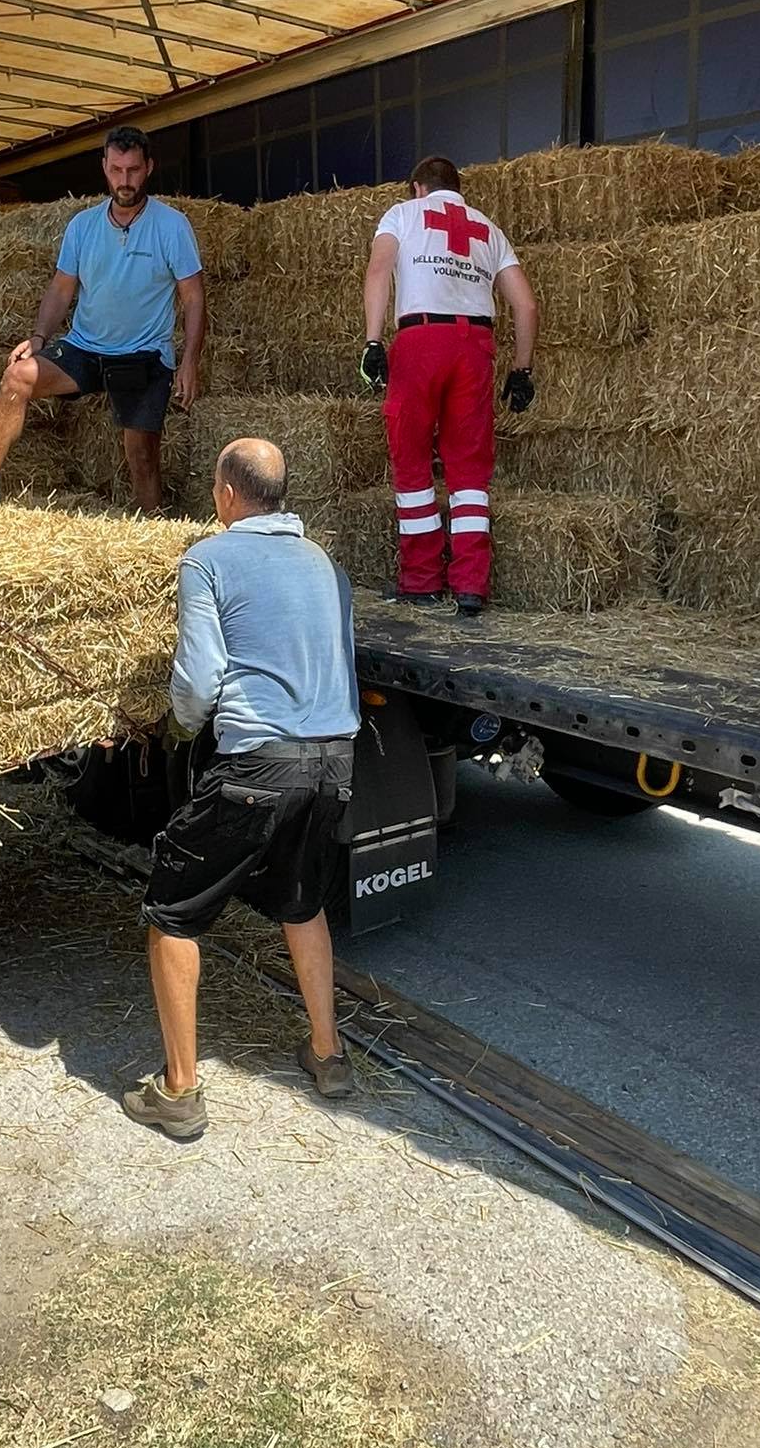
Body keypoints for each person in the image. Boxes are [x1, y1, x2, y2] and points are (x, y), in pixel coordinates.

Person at [123, 438, 360, 1141]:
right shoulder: (327, 565)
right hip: (334, 762)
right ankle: (328, 1053)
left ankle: (179, 1091)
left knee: (172, 910)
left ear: (226, 493)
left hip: (259, 766)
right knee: (301, 901)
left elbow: (198, 680)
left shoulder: (209, 559)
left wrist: (176, 726)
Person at [0, 125, 206, 515]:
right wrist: (39, 337)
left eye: (133, 170)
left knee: (143, 458)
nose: (125, 180)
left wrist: (189, 361)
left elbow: (194, 297)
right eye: (116, 170)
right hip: (85, 347)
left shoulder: (172, 226)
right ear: (104, 167)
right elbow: (61, 289)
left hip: (143, 355)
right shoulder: (82, 226)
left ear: (148, 167)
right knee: (18, 375)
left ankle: (153, 526)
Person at [360, 155, 538, 616]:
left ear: (418, 188)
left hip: (421, 340)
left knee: (412, 457)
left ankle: (420, 581)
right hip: (475, 345)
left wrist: (373, 339)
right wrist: (522, 369)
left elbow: (378, 271)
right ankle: (470, 586)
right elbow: (526, 306)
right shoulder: (488, 230)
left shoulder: (403, 214)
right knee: (470, 469)